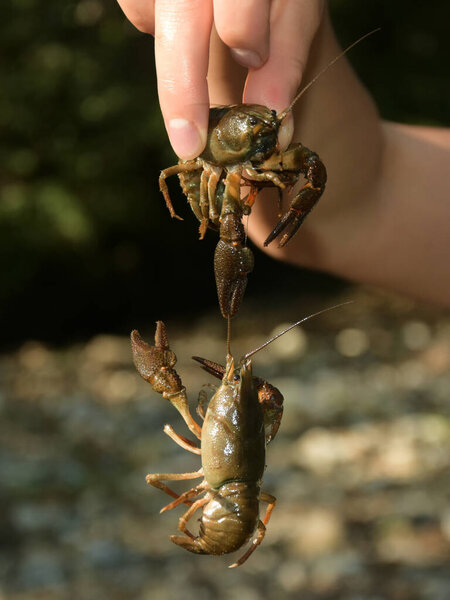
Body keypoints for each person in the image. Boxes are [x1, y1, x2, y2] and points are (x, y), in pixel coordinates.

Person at [116, 1, 450, 307]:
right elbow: (364, 199)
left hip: (234, 168)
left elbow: (348, 197)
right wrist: (233, 33)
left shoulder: (263, 138)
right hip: (207, 173)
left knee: (301, 166)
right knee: (232, 221)